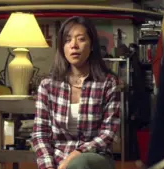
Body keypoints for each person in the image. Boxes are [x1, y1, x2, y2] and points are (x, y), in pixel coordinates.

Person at [32, 16, 121, 169]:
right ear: (62, 47)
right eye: (67, 40)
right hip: (57, 158)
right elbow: (40, 134)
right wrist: (49, 167)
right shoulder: (47, 85)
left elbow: (108, 133)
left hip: (95, 156)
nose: (73, 45)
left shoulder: (108, 83)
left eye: (81, 39)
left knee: (79, 163)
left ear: (92, 45)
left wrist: (76, 154)